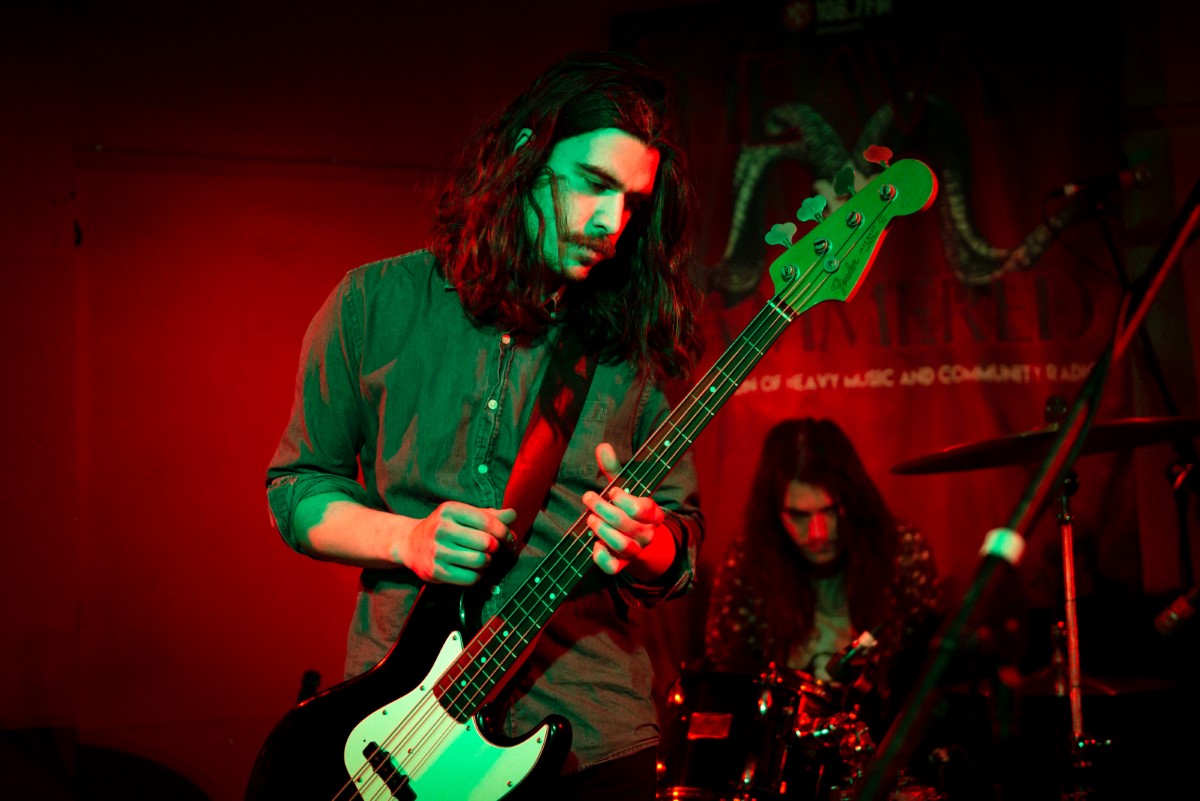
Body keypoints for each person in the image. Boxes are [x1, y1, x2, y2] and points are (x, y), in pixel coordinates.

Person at [263, 51, 705, 800]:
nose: (611, 223)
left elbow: (680, 543)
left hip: (590, 734)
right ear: (524, 158)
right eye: (593, 184)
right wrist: (406, 539)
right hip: (402, 733)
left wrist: (647, 544)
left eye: (632, 201)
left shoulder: (629, 339)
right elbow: (297, 486)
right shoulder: (374, 301)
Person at [703, 417, 942, 726]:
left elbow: (929, 671)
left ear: (852, 501)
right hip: (781, 738)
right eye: (798, 515)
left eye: (829, 511)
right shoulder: (747, 561)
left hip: (881, 738)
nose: (818, 533)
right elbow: (725, 672)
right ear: (773, 514)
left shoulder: (902, 551)